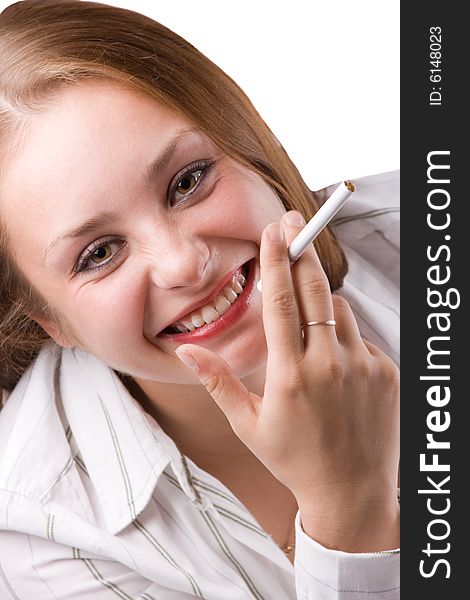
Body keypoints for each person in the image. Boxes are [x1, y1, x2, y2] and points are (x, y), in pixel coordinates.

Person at [0, 1, 400, 598]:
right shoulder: (44, 534)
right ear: (51, 320)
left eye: (187, 182)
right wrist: (347, 506)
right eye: (99, 253)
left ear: (245, 141)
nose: (183, 263)